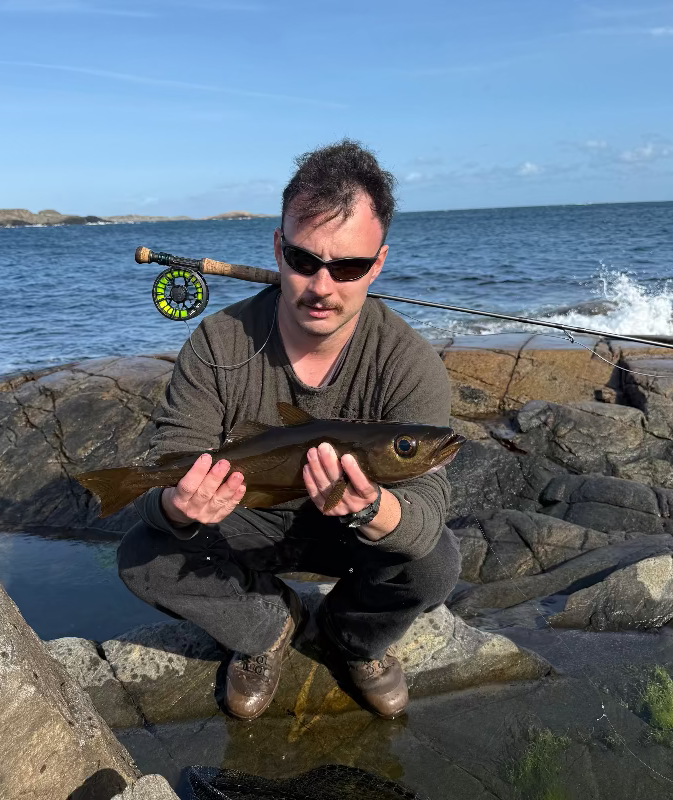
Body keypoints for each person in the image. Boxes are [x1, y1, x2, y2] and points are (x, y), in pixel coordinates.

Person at [117, 139, 461, 721]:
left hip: (353, 531)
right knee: (141, 556)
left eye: (349, 266)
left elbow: (429, 505)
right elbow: (166, 465)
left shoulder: (407, 360)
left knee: (435, 561)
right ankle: (266, 626)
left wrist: (373, 508)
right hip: (242, 516)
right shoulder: (218, 340)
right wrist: (177, 507)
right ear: (278, 249)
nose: (322, 286)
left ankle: (351, 640)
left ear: (378, 263)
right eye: (305, 261)